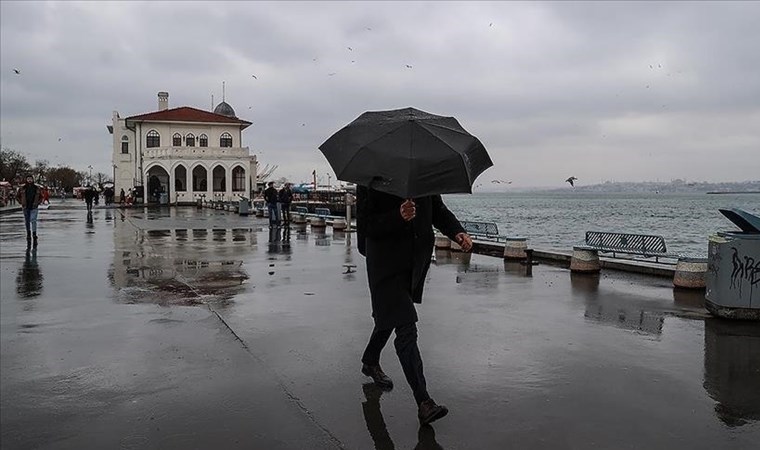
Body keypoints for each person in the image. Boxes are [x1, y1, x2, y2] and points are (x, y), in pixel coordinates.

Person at [356, 185, 473, 425]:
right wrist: (397, 216)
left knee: (390, 316)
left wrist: (457, 232)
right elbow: (366, 226)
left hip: (412, 266)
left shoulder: (422, 173)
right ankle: (424, 402)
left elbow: (437, 209)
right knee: (406, 327)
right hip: (385, 265)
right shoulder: (371, 177)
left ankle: (370, 360)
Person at [16, 174, 42, 246]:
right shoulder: (22, 188)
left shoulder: (37, 188)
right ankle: (28, 234)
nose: (29, 180)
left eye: (31, 179)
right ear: (26, 180)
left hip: (34, 207)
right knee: (27, 221)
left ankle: (34, 234)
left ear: (33, 179)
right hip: (25, 207)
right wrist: (21, 202)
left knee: (33, 220)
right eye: (28, 179)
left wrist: (38, 203)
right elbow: (17, 196)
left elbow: (41, 197)